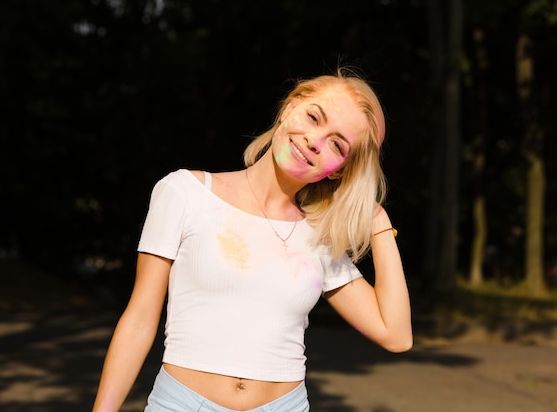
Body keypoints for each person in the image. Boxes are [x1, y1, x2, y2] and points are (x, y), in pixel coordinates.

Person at [92, 67, 412, 412]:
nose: (314, 141)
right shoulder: (185, 193)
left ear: (338, 169)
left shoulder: (320, 240)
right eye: (314, 117)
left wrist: (378, 222)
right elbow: (139, 320)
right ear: (291, 107)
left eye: (337, 144)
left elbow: (396, 336)